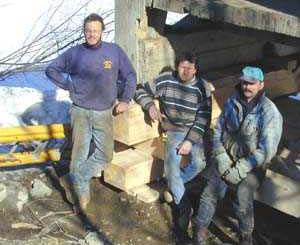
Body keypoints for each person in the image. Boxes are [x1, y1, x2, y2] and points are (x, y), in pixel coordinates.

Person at [45, 13, 137, 211]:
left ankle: (75, 178)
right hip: (80, 111)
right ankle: (80, 194)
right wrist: (68, 85)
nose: (92, 34)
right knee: (79, 154)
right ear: (84, 31)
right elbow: (51, 70)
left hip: (104, 112)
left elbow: (130, 75)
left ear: (102, 31)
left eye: (96, 30)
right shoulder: (74, 54)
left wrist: (125, 100)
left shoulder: (114, 52)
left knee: (105, 155)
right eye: (88, 30)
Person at [193, 66, 283, 245]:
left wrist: (242, 168)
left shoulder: (269, 111)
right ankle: (199, 232)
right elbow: (218, 130)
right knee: (209, 191)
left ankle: (245, 237)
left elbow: (267, 150)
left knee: (242, 195)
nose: (247, 87)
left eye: (251, 83)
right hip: (226, 158)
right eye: (244, 83)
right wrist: (221, 156)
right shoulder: (232, 101)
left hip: (253, 165)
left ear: (261, 85)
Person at [135, 52, 211, 243]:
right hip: (174, 130)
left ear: (196, 69)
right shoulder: (166, 80)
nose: (185, 71)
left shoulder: (202, 88)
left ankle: (176, 187)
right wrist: (150, 106)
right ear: (176, 67)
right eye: (182, 67)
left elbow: (204, 119)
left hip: (193, 130)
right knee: (171, 169)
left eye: (190, 68)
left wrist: (190, 141)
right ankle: (183, 205)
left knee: (200, 163)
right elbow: (139, 89)